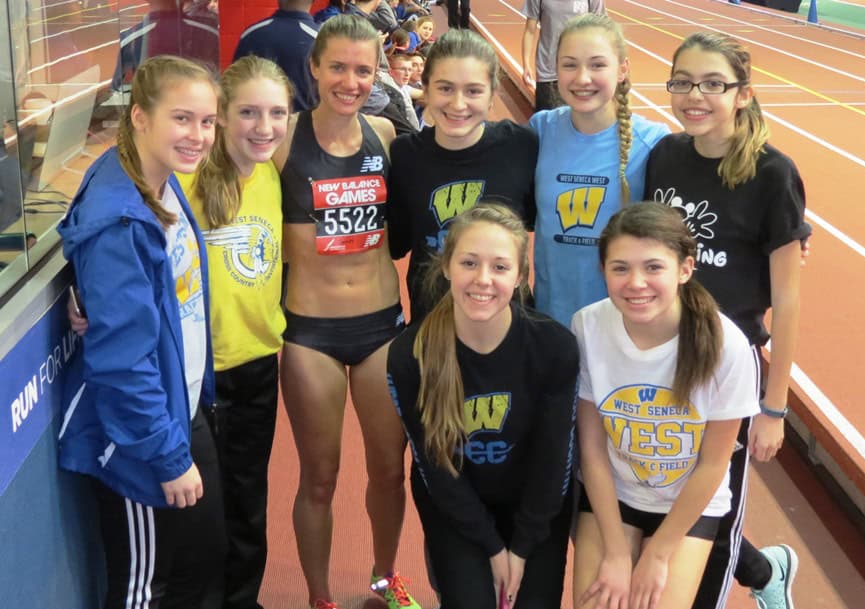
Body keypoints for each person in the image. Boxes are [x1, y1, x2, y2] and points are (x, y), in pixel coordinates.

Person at [644, 31, 809, 609]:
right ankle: (765, 571)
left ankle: (745, 583)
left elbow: (787, 301)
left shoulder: (771, 175)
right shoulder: (665, 156)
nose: (696, 95)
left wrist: (774, 406)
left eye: (713, 83)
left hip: (728, 377)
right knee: (665, 499)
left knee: (713, 515)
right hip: (663, 358)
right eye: (683, 81)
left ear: (741, 93)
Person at [56, 55, 226, 608]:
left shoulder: (159, 182)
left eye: (207, 121)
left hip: (182, 409)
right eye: (182, 119)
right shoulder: (120, 216)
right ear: (139, 118)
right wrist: (165, 455)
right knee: (144, 590)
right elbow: (122, 363)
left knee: (200, 562)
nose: (198, 136)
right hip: (141, 441)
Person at [272, 15, 419, 609]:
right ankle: (319, 598)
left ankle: (385, 582)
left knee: (389, 473)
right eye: (338, 67)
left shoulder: (384, 132)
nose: (350, 81)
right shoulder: (282, 141)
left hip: (382, 325)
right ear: (314, 67)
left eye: (363, 69)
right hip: (311, 335)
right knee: (320, 478)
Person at [387, 204, 578, 609]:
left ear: (521, 276)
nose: (483, 280)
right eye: (469, 263)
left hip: (534, 508)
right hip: (458, 504)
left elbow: (553, 466)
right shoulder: (411, 353)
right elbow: (435, 469)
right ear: (446, 267)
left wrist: (522, 548)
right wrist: (492, 549)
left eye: (500, 267)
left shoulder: (554, 347)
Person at [571, 201, 760, 609]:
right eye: (620, 268)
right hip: (614, 496)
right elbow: (592, 449)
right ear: (602, 270)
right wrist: (618, 553)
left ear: (685, 269)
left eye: (653, 267)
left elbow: (714, 463)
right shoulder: (587, 326)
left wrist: (658, 555)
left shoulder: (728, 345)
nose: (636, 282)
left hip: (686, 506)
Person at [181, 55, 292, 609]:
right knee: (203, 500)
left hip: (255, 364)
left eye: (276, 112)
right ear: (221, 116)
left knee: (249, 494)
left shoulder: (272, 173)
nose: (264, 126)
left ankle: (242, 600)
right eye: (248, 112)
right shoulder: (187, 176)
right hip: (200, 373)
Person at [387, 27, 537, 322]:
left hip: (509, 328)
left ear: (492, 95)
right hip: (432, 326)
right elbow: (398, 242)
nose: (458, 104)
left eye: (473, 91)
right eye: (445, 88)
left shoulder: (521, 145)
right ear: (425, 89)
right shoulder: (405, 155)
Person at [529, 13, 669, 328]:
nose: (582, 78)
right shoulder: (541, 130)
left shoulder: (653, 143)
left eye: (597, 65)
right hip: (550, 321)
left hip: (622, 326)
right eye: (569, 65)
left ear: (622, 69)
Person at [233, 0, 319, 112]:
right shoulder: (323, 40)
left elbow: (232, 90)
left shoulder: (250, 35)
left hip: (255, 125)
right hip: (307, 126)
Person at [521, 0, 604, 112]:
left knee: (579, 124)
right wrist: (526, 64)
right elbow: (530, 30)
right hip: (548, 72)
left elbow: (601, 31)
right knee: (548, 124)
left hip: (580, 72)